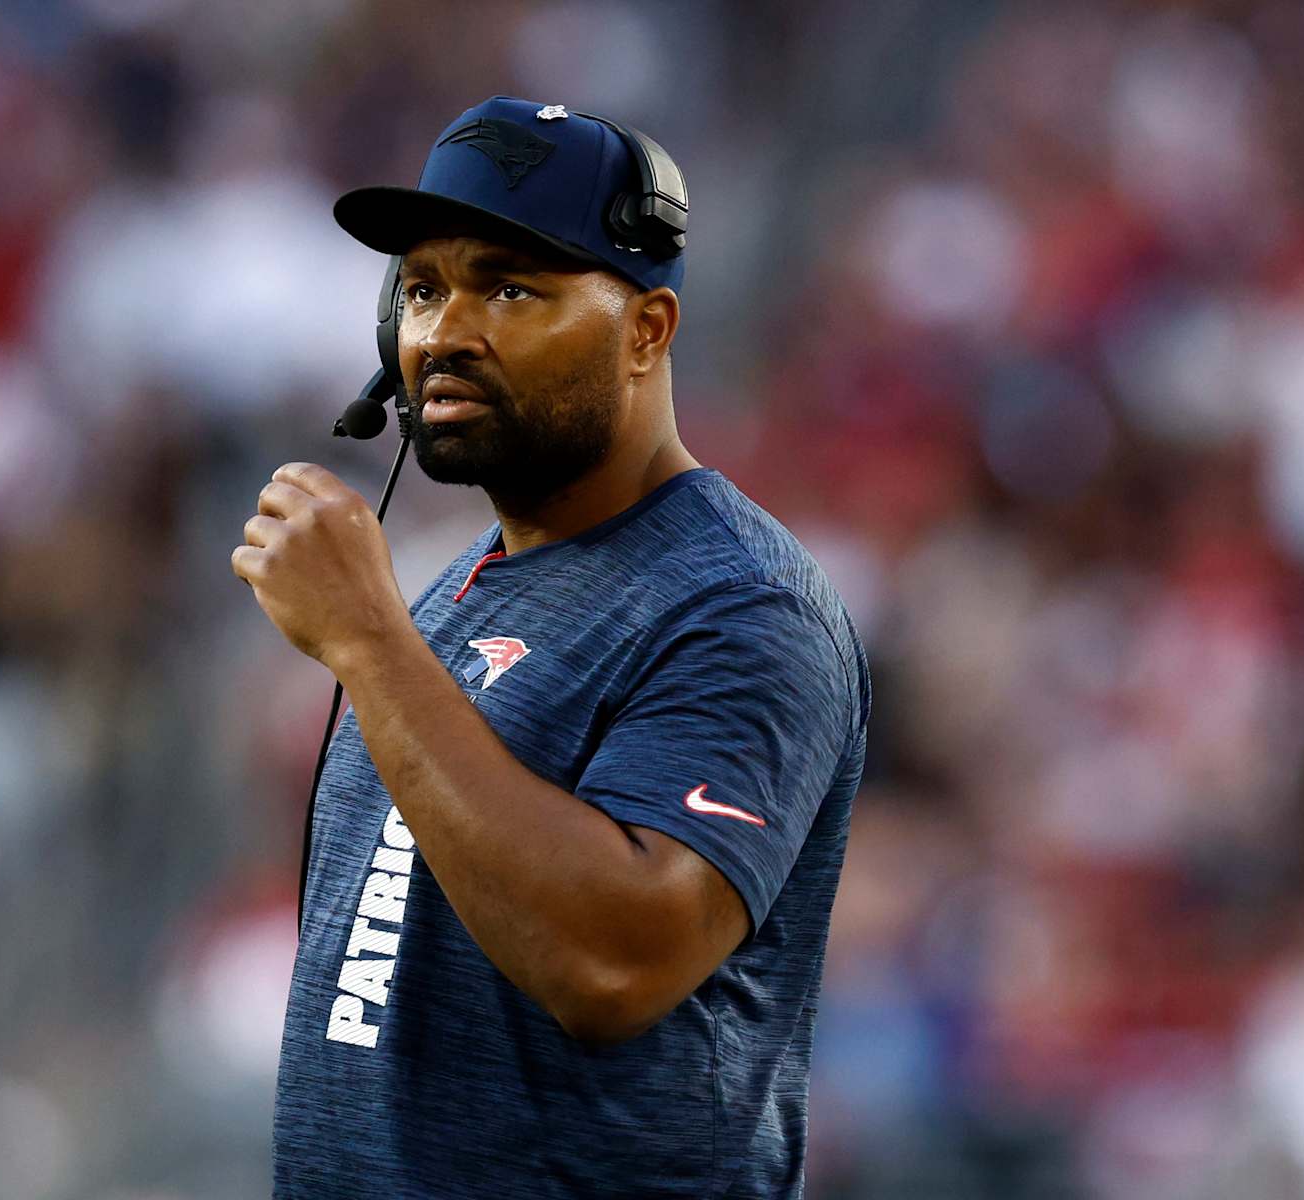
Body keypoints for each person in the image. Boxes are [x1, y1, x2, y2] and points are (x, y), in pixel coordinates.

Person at [231, 96, 871, 1199]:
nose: (443, 332)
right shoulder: (450, 595)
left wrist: (369, 642)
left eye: (511, 286)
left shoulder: (743, 605)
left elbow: (615, 963)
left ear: (647, 332)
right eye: (423, 289)